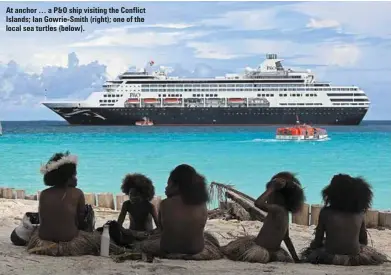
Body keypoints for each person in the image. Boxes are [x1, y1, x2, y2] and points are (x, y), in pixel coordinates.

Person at [26, 151, 120, 256]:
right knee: (98, 239)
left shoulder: (44, 193)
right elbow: (80, 222)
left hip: (43, 240)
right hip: (68, 242)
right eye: (74, 175)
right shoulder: (77, 193)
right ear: (66, 177)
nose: (76, 178)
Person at [301, 174, 389, 265]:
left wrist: (315, 246)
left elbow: (317, 241)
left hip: (330, 256)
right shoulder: (359, 213)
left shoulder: (325, 212)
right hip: (354, 257)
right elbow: (363, 241)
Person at [140, 164, 222, 260]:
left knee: (144, 245)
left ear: (177, 185)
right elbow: (200, 226)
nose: (165, 188)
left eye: (168, 184)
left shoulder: (165, 204)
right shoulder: (201, 204)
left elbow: (161, 230)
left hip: (169, 249)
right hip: (196, 249)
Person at [220, 172, 305, 263]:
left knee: (228, 251)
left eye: (270, 194)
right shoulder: (285, 213)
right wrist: (295, 258)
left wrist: (271, 188)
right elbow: (286, 238)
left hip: (260, 250)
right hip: (273, 252)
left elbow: (258, 203)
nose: (267, 197)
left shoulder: (277, 209)